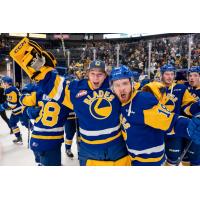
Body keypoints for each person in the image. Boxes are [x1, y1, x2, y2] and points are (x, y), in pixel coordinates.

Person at [10, 37, 130, 166]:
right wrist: (42, 71)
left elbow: (130, 89)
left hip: (117, 148)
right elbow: (52, 84)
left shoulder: (114, 86)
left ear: (106, 75)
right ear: (87, 74)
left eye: (100, 74)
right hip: (90, 151)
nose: (96, 77)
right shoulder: (76, 89)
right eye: (93, 73)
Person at [109, 65, 200, 166]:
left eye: (125, 83)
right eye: (117, 85)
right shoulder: (117, 102)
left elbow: (170, 121)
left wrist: (189, 127)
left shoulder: (143, 101)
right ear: (112, 88)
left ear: (131, 83)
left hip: (150, 162)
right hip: (134, 160)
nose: (121, 88)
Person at [142, 64, 200, 165]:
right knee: (154, 160)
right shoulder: (153, 87)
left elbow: (187, 107)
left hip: (173, 132)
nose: (169, 77)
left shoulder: (181, 88)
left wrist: (197, 108)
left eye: (172, 74)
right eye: (167, 74)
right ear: (162, 75)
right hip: (155, 131)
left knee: (172, 161)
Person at [20, 82, 75, 166]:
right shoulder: (65, 95)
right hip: (51, 141)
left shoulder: (39, 91)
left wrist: (28, 110)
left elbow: (22, 100)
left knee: (41, 163)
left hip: (35, 139)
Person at [0, 76, 31, 144]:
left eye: (2, 82)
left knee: (26, 124)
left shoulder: (10, 90)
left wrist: (4, 105)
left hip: (20, 111)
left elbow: (12, 104)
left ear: (7, 83)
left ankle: (37, 133)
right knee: (12, 123)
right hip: (16, 111)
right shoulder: (10, 89)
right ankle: (19, 138)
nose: (1, 84)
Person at [180, 66, 200, 166]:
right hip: (184, 129)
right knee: (185, 160)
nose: (192, 78)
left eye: (195, 75)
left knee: (196, 161)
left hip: (196, 131)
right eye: (190, 75)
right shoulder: (185, 89)